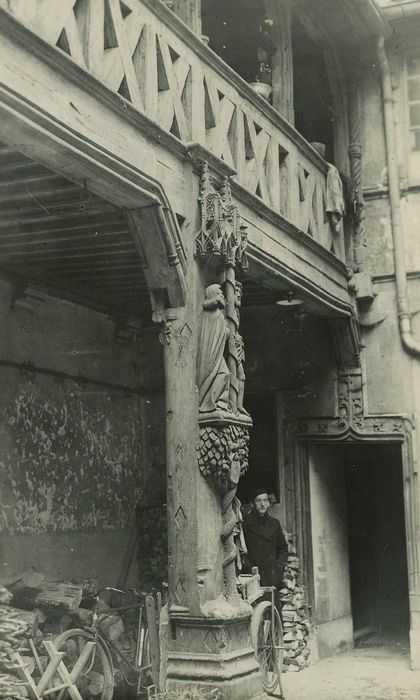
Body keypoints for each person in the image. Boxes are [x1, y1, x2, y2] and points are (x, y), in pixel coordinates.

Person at [242, 488, 288, 612]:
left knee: (273, 611)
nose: (262, 504)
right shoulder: (245, 523)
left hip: (271, 575)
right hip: (252, 574)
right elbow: (241, 549)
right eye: (258, 501)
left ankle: (275, 632)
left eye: (265, 500)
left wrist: (278, 567)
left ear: (268, 503)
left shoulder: (274, 523)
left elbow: (283, 548)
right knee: (255, 611)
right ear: (252, 504)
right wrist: (248, 568)